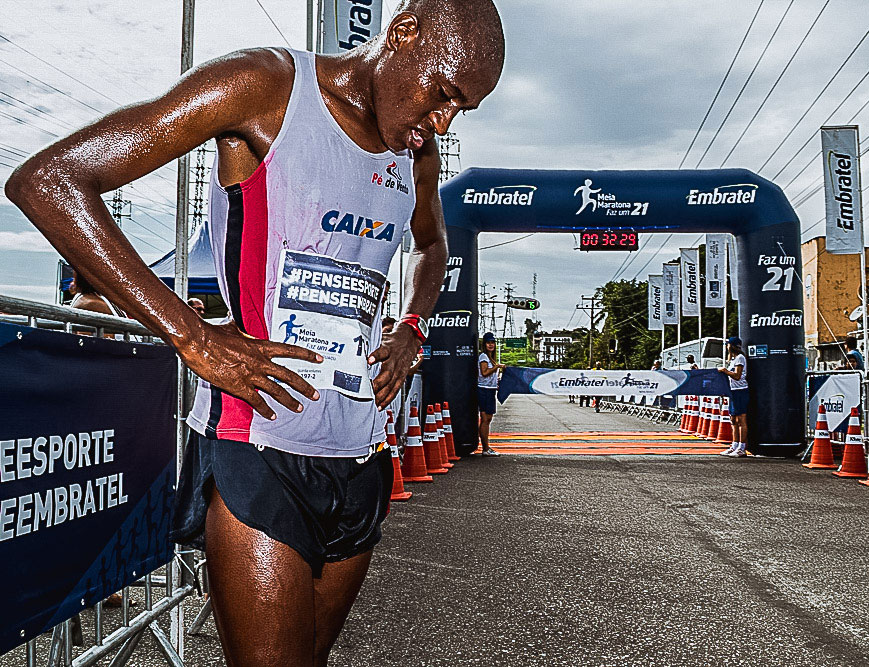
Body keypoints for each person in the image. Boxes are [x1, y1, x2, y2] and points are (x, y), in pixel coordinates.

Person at [5, 1, 505, 664]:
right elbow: (50, 181)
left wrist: (414, 324)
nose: (441, 120)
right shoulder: (265, 88)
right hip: (262, 446)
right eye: (443, 94)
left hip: (360, 454)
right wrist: (194, 337)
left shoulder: (417, 152)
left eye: (460, 109)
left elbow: (433, 244)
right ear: (404, 31)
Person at [718, 337, 748, 457]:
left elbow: (737, 376)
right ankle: (734, 445)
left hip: (740, 391)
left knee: (741, 419)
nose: (726, 347)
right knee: (733, 420)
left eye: (728, 344)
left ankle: (742, 447)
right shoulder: (733, 359)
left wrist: (725, 371)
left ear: (732, 346)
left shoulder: (740, 358)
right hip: (733, 391)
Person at [478, 332, 504, 456]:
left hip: (490, 389)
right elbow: (484, 372)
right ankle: (485, 448)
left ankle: (486, 447)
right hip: (484, 389)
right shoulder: (483, 357)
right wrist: (497, 367)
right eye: (488, 342)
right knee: (485, 419)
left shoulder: (491, 358)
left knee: (488, 419)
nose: (491, 345)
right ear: (484, 344)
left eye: (492, 342)